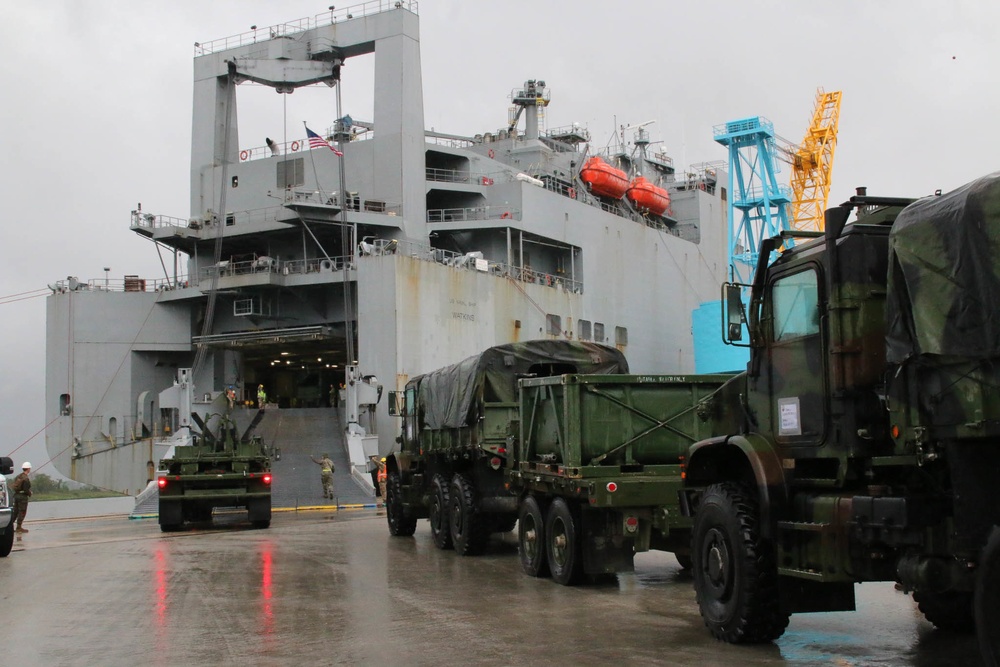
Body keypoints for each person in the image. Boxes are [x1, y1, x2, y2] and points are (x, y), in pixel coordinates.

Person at [12, 461, 32, 533]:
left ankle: (10, 526)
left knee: (15, 512)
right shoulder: (26, 478)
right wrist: (30, 493)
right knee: (22, 511)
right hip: (22, 497)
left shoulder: (18, 476)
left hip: (16, 495)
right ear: (28, 469)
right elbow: (26, 489)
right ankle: (19, 527)